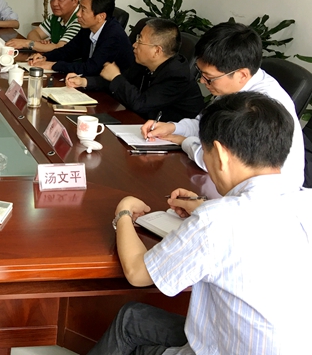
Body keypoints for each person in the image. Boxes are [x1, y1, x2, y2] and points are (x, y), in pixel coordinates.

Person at [96, 92, 310, 354]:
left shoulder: (216, 221)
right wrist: (204, 206)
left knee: (131, 328)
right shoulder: (305, 202)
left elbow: (138, 273)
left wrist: (123, 212)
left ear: (219, 153)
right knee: (133, 319)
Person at [142, 22, 304, 186]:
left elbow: (218, 162)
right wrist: (173, 128)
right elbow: (206, 124)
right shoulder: (236, 84)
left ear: (241, 74)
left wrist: (183, 141)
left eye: (209, 77)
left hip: (266, 194)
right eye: (201, 73)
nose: (202, 81)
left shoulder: (260, 106)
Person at [66, 18, 204, 121]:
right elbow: (120, 81)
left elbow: (141, 104)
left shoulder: (177, 76)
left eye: (140, 40)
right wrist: (84, 81)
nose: (134, 45)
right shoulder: (143, 62)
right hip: (141, 123)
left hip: (172, 139)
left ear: (157, 50)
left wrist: (115, 77)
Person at [27, 0, 134, 75]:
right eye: (79, 8)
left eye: (83, 10)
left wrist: (53, 65)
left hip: (111, 89)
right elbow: (69, 50)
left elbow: (91, 67)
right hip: (90, 81)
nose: (78, 14)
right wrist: (45, 57)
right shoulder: (88, 27)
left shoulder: (113, 36)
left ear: (101, 16)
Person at [7, 0, 80, 52]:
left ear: (75, 1)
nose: (54, 4)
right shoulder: (55, 17)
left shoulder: (79, 20)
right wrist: (39, 44)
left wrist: (28, 43)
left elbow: (61, 48)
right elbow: (33, 33)